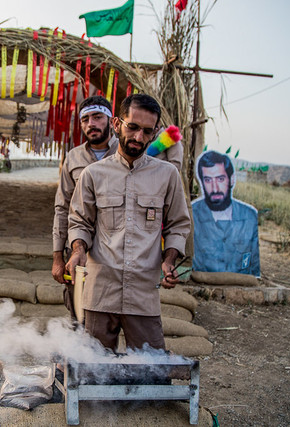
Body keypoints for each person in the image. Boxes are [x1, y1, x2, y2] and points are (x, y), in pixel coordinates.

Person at [65, 94, 191, 352]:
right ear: (117, 124)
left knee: (152, 373)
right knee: (94, 373)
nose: (138, 138)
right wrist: (78, 250)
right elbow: (79, 222)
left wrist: (169, 260)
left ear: (156, 132)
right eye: (132, 127)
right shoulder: (93, 174)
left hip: (143, 295)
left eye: (147, 131)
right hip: (100, 293)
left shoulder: (168, 175)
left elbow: (178, 224)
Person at [52, 96, 119, 319]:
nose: (91, 124)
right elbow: (62, 208)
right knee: (77, 310)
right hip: (78, 248)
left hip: (116, 249)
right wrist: (58, 257)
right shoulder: (73, 157)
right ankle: (77, 351)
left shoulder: (126, 152)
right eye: (85, 119)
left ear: (112, 121)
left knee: (113, 312)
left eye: (98, 117)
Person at [192, 150, 260, 276]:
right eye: (208, 180)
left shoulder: (249, 216)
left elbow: (253, 267)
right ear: (201, 181)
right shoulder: (191, 214)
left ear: (232, 179)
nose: (215, 188)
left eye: (220, 179)